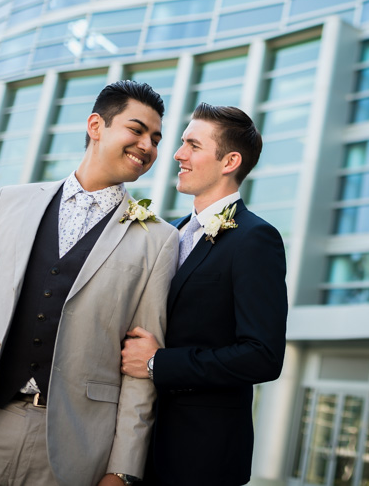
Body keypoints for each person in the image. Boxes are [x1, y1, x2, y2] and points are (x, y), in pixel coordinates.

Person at [0, 80, 179, 486]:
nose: (148, 145)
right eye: (137, 129)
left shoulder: (158, 238)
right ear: (96, 125)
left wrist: (121, 468)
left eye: (156, 138)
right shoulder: (9, 201)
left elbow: (139, 363)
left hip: (71, 450)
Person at [121, 103, 288, 486]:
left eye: (192, 145)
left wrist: (157, 364)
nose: (178, 154)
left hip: (199, 459)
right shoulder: (167, 234)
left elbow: (262, 356)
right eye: (181, 143)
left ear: (229, 161)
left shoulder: (255, 239)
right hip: (135, 447)